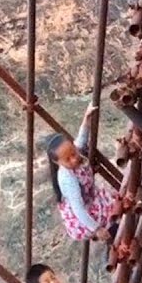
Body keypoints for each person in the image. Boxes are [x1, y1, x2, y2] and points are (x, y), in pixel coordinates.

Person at [46, 102, 119, 245]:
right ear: (58, 162)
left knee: (113, 204)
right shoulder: (67, 179)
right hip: (83, 214)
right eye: (68, 159)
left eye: (73, 153)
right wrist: (96, 228)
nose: (74, 159)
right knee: (110, 223)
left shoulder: (74, 152)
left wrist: (86, 119)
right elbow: (78, 209)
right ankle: (114, 237)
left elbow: (81, 140)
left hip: (90, 198)